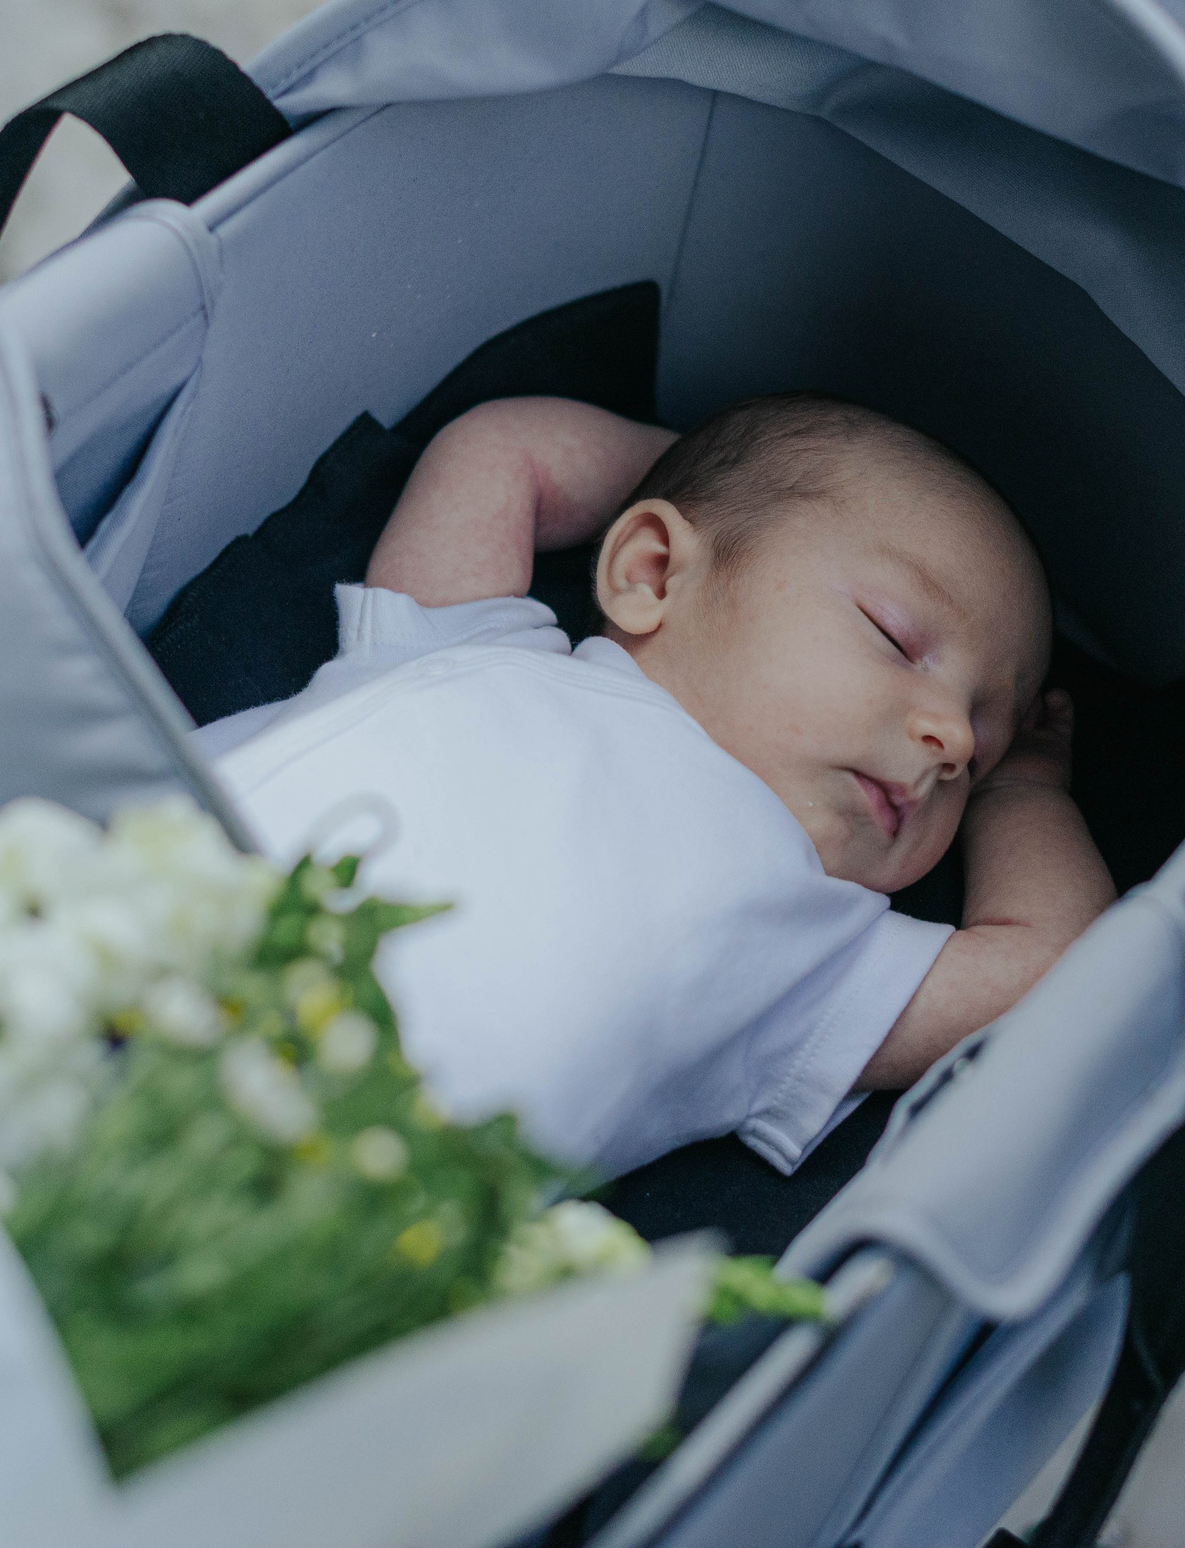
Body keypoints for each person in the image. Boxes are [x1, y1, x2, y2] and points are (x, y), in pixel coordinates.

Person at [205, 392, 1114, 1177]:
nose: (951, 739)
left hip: (302, 1196)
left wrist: (1025, 790)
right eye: (896, 636)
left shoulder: (806, 940)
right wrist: (719, 477)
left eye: (978, 754)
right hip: (129, 911)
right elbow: (500, 455)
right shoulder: (475, 648)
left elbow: (1048, 973)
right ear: (650, 572)